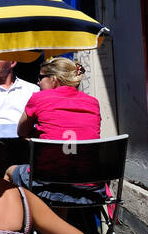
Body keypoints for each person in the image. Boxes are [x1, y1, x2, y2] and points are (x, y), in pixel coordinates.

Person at [6, 58, 103, 198]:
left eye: (40, 77)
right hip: (89, 184)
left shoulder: (39, 98)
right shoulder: (93, 102)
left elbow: (21, 131)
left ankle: (15, 219)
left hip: (48, 181)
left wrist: (39, 133)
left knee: (10, 171)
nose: (38, 82)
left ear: (54, 79)